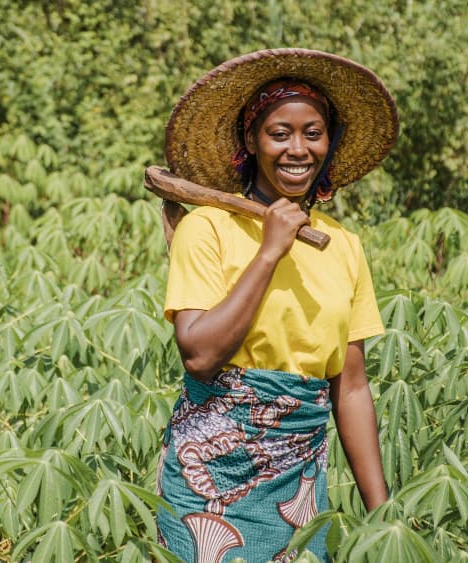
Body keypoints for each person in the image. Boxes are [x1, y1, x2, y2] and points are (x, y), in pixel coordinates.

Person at [155, 48, 399, 562]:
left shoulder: (342, 245)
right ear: (251, 140)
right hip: (210, 479)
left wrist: (383, 517)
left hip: (300, 483)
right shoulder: (208, 228)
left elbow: (350, 385)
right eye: (279, 133)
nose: (298, 149)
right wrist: (270, 250)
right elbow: (199, 355)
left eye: (313, 133)